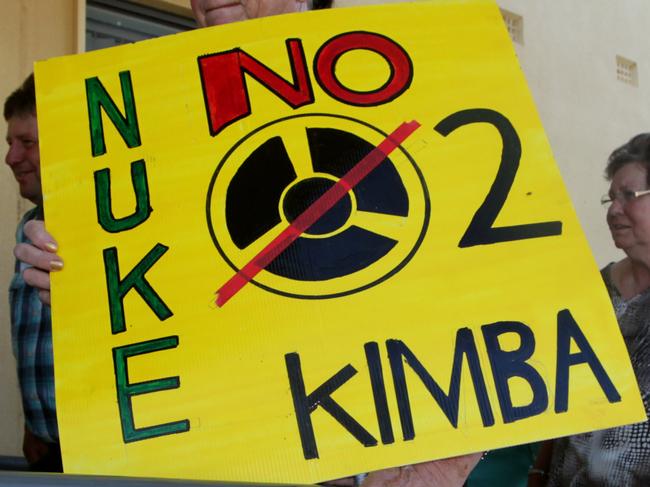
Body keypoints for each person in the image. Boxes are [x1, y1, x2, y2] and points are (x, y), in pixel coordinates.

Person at [11, 0, 481, 484]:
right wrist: (92, 284)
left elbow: (480, 304)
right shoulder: (165, 125)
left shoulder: (397, 83)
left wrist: (441, 468)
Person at [529, 133, 650, 487]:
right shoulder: (594, 289)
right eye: (610, 198)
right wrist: (538, 471)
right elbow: (565, 390)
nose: (613, 210)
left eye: (629, 196)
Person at [4, 73, 63, 472]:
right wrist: (35, 425)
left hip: (102, 454)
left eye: (27, 143)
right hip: (46, 448)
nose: (11, 157)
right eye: (10, 143)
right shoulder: (30, 224)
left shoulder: (106, 225)